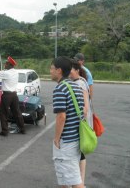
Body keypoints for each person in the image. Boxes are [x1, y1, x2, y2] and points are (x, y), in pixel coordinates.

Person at [50, 56, 85, 188]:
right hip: (76, 139)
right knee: (65, 178)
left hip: (66, 142)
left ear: (59, 70)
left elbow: (61, 117)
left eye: (52, 68)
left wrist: (57, 139)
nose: (50, 71)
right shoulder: (74, 86)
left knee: (75, 182)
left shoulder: (60, 88)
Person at [70, 59, 93, 187]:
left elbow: (85, 108)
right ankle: (79, 182)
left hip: (80, 124)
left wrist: (76, 120)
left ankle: (81, 183)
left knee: (79, 153)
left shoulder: (79, 83)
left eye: (71, 70)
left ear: (77, 70)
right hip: (82, 123)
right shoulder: (82, 81)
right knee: (80, 153)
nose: (69, 73)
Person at [0, 56, 25, 136]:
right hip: (14, 95)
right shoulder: (15, 72)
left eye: (6, 63)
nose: (4, 64)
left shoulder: (6, 73)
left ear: (9, 64)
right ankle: (22, 129)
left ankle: (4, 131)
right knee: (17, 112)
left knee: (4, 113)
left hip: (7, 96)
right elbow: (0, 71)